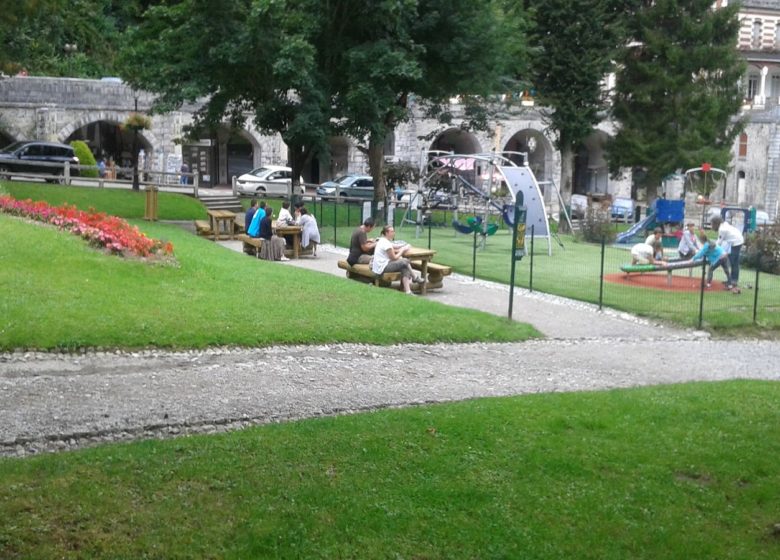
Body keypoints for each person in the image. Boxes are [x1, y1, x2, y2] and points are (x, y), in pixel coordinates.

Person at [371, 225, 424, 295]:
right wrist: (402, 250)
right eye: (392, 231)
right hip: (381, 268)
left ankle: (408, 291)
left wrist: (405, 246)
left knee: (404, 267)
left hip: (380, 265)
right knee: (405, 261)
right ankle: (414, 277)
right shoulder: (386, 243)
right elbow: (394, 258)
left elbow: (395, 247)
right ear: (387, 233)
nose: (394, 233)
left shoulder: (382, 240)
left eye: (394, 231)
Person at [710, 216, 744, 289]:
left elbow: (719, 243)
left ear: (716, 223)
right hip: (737, 241)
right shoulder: (724, 225)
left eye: (712, 224)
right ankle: (732, 280)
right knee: (734, 262)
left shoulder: (722, 229)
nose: (712, 226)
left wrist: (711, 249)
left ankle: (733, 281)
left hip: (736, 243)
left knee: (733, 262)